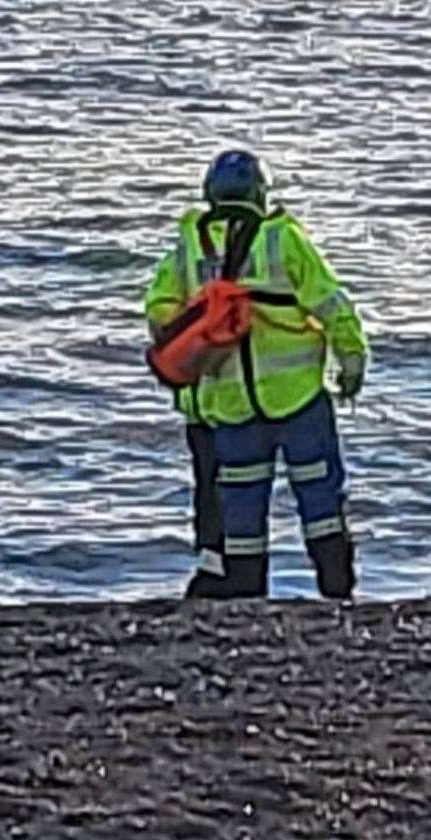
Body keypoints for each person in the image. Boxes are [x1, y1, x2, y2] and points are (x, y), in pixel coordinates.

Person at [144, 149, 368, 599]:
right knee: (320, 497)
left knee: (241, 506)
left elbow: (159, 313)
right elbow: (330, 303)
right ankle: (337, 591)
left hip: (230, 405)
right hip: (297, 397)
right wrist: (352, 357)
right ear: (260, 194)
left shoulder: (191, 245)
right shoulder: (282, 239)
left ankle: (246, 594)